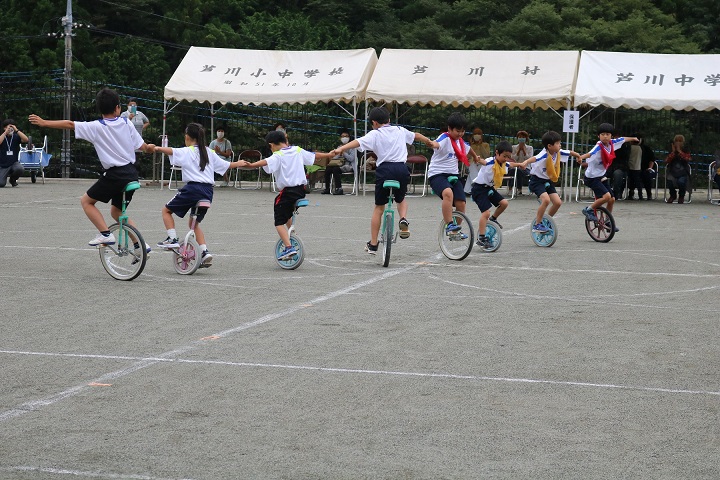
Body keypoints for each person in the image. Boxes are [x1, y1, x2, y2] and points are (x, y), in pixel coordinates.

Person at [29, 88, 155, 248]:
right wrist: (151, 148)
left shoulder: (96, 126)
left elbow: (69, 124)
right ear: (118, 108)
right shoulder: (126, 122)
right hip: (131, 173)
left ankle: (105, 234)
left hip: (115, 174)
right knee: (116, 212)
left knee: (86, 201)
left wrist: (44, 122)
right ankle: (140, 245)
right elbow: (143, 146)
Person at [330, 107, 437, 254]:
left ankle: (373, 244)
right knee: (401, 199)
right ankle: (403, 219)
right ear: (389, 120)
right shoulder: (400, 130)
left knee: (379, 208)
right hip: (401, 169)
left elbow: (357, 143)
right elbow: (416, 135)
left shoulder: (375, 133)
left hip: (385, 170)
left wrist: (341, 149)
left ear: (374, 122)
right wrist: (428, 141)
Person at [155, 123, 243, 267]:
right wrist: (239, 163)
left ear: (188, 137)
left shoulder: (187, 151)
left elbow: (170, 151)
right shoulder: (209, 151)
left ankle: (172, 239)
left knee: (166, 210)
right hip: (208, 192)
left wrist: (157, 148)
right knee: (194, 224)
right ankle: (204, 251)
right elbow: (225, 165)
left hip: (192, 189)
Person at [237, 130, 334, 260]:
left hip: (288, 192)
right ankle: (291, 233)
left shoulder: (278, 155)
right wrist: (329, 154)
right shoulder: (297, 150)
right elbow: (314, 155)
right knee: (286, 211)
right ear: (285, 140)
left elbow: (265, 162)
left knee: (278, 220)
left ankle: (288, 247)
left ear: (271, 145)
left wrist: (251, 165)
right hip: (301, 190)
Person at [427, 112, 479, 238]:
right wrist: (431, 143)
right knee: (448, 193)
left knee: (461, 203)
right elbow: (436, 144)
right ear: (449, 129)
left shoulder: (461, 143)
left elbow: (469, 148)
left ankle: (455, 231)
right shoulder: (445, 138)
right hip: (437, 175)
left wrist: (475, 157)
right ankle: (449, 224)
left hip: (453, 175)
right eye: (457, 131)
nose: (460, 134)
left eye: (462, 131)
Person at [577, 123, 638, 231]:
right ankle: (589, 209)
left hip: (601, 175)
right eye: (603, 134)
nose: (605, 136)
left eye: (608, 134)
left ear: (611, 136)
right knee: (606, 197)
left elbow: (622, 139)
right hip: (592, 178)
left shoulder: (612, 143)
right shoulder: (598, 147)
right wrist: (581, 157)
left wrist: (633, 138)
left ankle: (607, 221)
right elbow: (590, 154)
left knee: (612, 199)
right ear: (598, 136)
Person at [520, 130, 581, 233]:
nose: (560, 145)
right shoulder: (544, 154)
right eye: (557, 143)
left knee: (557, 202)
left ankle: (546, 221)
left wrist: (578, 156)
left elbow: (569, 152)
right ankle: (537, 224)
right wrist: (525, 162)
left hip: (547, 181)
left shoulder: (557, 152)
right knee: (546, 200)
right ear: (549, 146)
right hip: (537, 181)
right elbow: (535, 158)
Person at [470, 141, 524, 248]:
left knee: (504, 203)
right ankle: (481, 237)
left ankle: (493, 219)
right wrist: (478, 159)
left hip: (489, 188)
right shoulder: (490, 161)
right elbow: (483, 162)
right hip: (479, 189)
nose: (506, 159)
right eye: (504, 156)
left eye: (508, 157)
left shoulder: (504, 163)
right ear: (497, 153)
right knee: (486, 213)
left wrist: (521, 164)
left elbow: (511, 164)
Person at [321, 128, 356, 195]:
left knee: (335, 169)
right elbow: (335, 158)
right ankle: (327, 188)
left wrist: (344, 153)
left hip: (348, 165)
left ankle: (339, 188)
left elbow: (351, 159)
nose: (344, 138)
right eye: (342, 136)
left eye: (346, 136)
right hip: (339, 164)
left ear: (349, 137)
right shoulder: (339, 147)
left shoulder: (353, 147)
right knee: (328, 169)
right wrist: (337, 153)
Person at [0, 119, 29, 187]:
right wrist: (5, 133)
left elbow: (26, 139)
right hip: (3, 165)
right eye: (8, 128)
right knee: (1, 184)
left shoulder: (15, 137)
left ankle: (13, 180)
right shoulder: (2, 137)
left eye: (11, 128)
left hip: (13, 163)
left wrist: (17, 130)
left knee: (20, 168)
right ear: (4, 128)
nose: (10, 130)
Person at [665, 134, 691, 204]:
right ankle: (673, 195)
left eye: (680, 141)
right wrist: (673, 152)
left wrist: (679, 151)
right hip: (672, 171)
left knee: (681, 182)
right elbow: (667, 160)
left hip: (682, 171)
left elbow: (688, 159)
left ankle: (681, 196)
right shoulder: (671, 149)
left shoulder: (685, 150)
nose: (678, 143)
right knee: (670, 181)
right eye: (676, 141)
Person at [463, 127, 490, 194]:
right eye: (475, 134)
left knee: (474, 171)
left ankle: (468, 190)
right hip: (471, 163)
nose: (477, 135)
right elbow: (467, 157)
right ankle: (478, 186)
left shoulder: (486, 145)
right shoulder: (470, 146)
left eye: (478, 134)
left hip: (482, 163)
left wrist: (481, 145)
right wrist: (472, 146)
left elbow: (486, 155)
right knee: (472, 166)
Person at [509, 130, 533, 195]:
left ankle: (519, 189)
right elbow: (513, 158)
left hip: (526, 168)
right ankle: (510, 188)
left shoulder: (530, 148)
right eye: (519, 137)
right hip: (515, 166)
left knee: (519, 171)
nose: (521, 138)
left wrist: (524, 151)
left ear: (526, 138)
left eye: (523, 137)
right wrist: (518, 151)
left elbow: (529, 159)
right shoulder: (513, 147)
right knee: (513, 170)